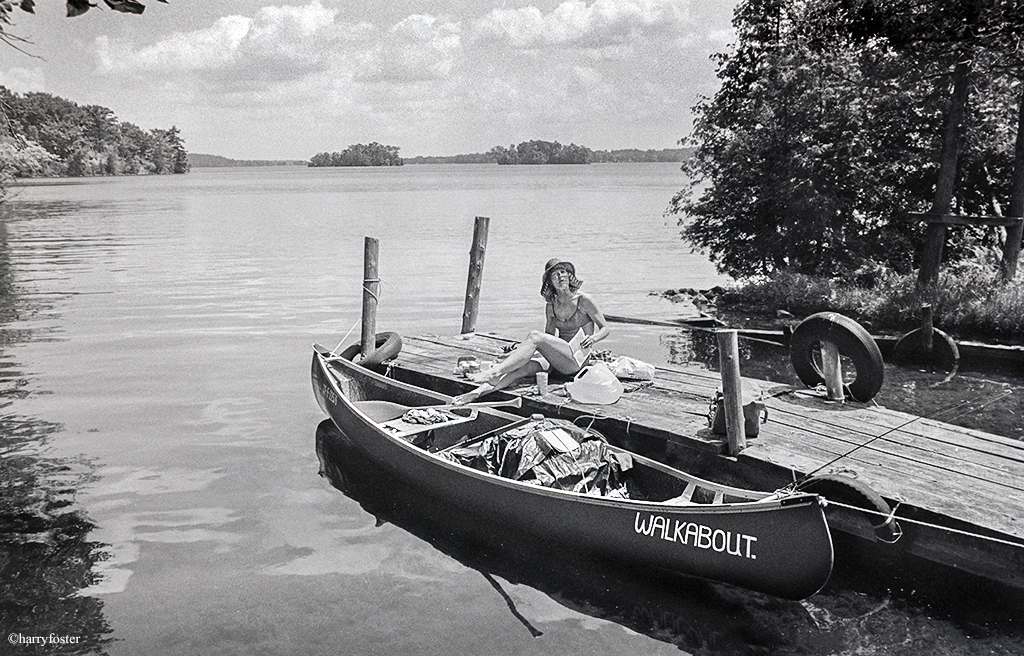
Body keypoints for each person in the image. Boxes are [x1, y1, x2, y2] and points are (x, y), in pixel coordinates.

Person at [453, 258, 610, 405]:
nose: (560, 276)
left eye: (563, 272)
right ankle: (478, 392)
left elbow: (606, 328)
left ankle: (493, 372)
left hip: (577, 362)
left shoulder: (584, 300)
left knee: (534, 336)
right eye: (555, 274)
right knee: (519, 369)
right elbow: (548, 340)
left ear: (570, 276)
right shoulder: (551, 306)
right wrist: (518, 355)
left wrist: (594, 338)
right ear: (550, 283)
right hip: (557, 364)